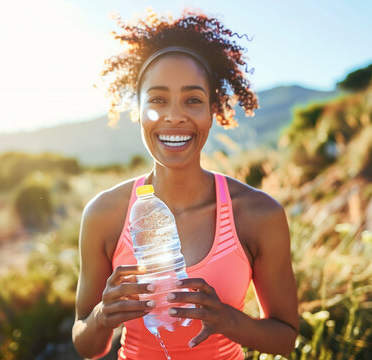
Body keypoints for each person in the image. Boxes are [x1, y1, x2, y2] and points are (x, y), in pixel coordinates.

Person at [72, 10, 298, 359]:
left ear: (212, 109)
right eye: (158, 100)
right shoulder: (104, 213)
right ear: (139, 111)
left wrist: (226, 319)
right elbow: (87, 344)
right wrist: (103, 317)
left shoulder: (259, 214)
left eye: (192, 100)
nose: (174, 116)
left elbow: (285, 338)